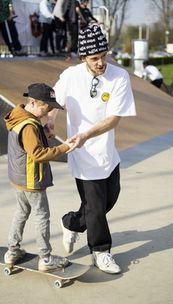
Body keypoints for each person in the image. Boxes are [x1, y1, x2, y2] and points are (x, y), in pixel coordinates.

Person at [47, 24, 136, 274]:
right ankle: (101, 251)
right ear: (83, 57)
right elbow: (54, 101)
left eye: (103, 56)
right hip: (81, 153)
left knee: (109, 200)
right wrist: (52, 120)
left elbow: (114, 118)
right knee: (96, 207)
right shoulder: (71, 76)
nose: (100, 62)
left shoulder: (119, 76)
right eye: (94, 58)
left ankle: (72, 223)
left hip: (107, 152)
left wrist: (87, 133)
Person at [3, 83, 72, 271]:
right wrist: (65, 147)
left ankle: (12, 251)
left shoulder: (19, 117)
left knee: (21, 212)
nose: (49, 110)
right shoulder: (30, 126)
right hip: (31, 180)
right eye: (46, 107)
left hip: (18, 178)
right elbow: (38, 154)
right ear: (32, 102)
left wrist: (44, 134)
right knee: (42, 216)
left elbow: (25, 147)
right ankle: (46, 258)